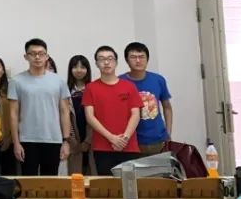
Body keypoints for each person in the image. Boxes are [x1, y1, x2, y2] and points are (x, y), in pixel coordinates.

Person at [8, 39, 71, 176]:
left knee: (50, 181)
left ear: (47, 56)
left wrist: (66, 141)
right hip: (26, 140)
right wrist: (16, 143)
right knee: (28, 181)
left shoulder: (59, 81)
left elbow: (64, 112)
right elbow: (13, 114)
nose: (37, 57)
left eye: (41, 53)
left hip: (53, 139)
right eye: (33, 53)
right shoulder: (16, 81)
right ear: (26, 56)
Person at [83, 46, 142, 175]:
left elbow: (136, 115)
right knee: (106, 185)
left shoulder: (129, 86)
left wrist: (124, 139)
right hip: (102, 147)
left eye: (110, 59)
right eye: (101, 59)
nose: (106, 62)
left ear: (116, 62)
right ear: (96, 64)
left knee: (129, 185)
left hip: (129, 146)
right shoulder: (91, 88)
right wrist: (112, 138)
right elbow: (90, 117)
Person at [122, 41, 173, 155]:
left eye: (141, 57)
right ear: (126, 60)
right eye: (133, 57)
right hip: (131, 141)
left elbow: (167, 107)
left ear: (147, 59)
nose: (138, 60)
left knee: (160, 167)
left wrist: (168, 132)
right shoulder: (120, 82)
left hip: (158, 139)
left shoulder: (158, 80)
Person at [66, 54, 94, 175]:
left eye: (82, 67)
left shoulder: (93, 89)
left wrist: (88, 141)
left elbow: (96, 117)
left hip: (91, 135)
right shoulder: (66, 90)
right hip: (73, 137)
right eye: (75, 67)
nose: (78, 70)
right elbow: (64, 116)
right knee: (75, 172)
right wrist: (71, 139)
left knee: (91, 170)